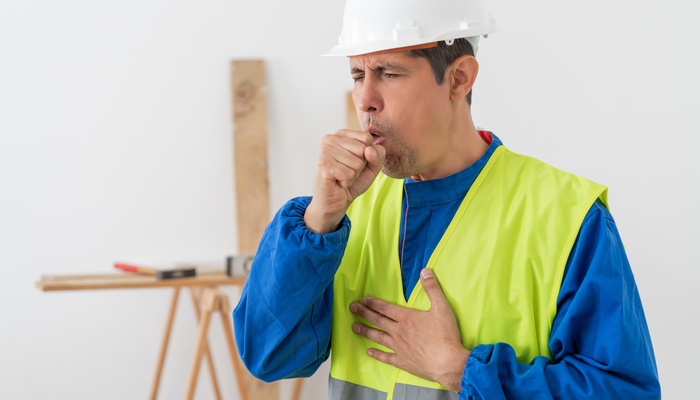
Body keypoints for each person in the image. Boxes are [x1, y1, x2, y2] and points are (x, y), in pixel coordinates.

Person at [233, 0, 661, 398]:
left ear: (459, 78)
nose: (364, 101)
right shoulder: (343, 211)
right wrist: (317, 221)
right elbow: (268, 356)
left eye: (388, 73)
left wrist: (461, 369)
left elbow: (623, 390)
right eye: (358, 75)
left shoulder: (566, 215)